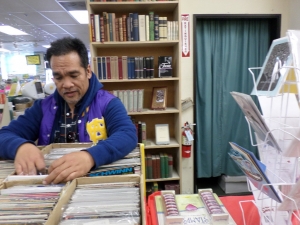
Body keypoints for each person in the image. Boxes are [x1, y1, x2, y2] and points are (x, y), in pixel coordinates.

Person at [0, 37, 137, 184]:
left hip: (93, 187)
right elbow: (4, 135)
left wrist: (90, 156)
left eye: (73, 75)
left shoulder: (108, 103)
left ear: (88, 71)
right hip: (52, 186)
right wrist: (21, 146)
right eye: (58, 77)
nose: (66, 84)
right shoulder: (42, 107)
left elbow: (127, 135)